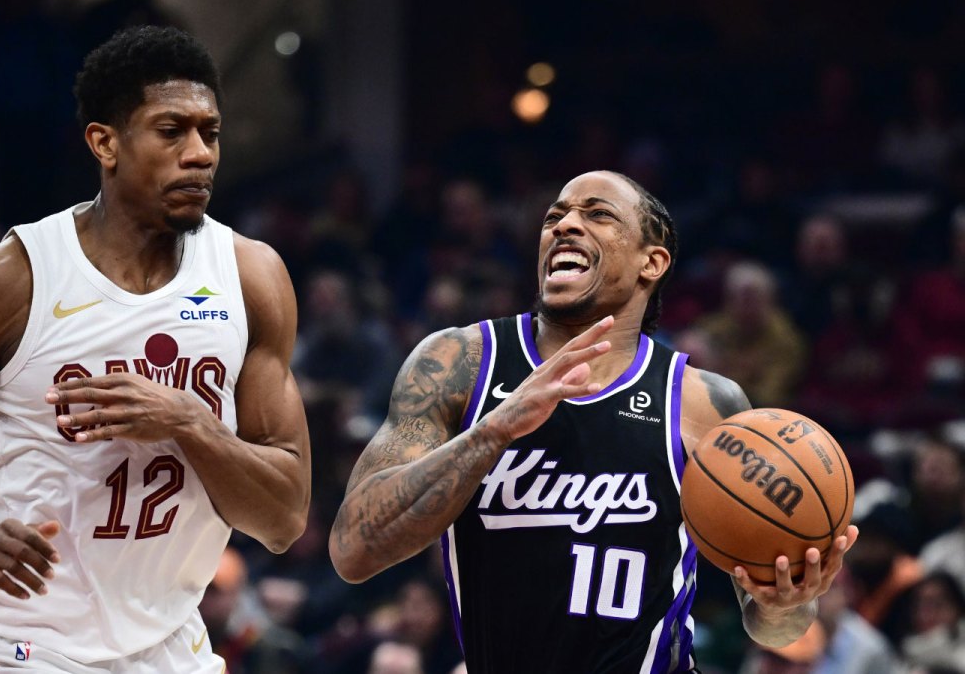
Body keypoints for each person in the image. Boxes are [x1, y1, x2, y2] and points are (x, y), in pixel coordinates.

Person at [0, 25, 310, 673]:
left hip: (167, 641)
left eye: (209, 133)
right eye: (171, 131)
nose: (199, 154)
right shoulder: (7, 281)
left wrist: (189, 422)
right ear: (105, 142)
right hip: (21, 643)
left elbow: (284, 518)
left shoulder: (252, 278)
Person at [329, 171, 858, 673]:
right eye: (554, 216)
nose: (565, 224)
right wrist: (491, 431)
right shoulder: (459, 363)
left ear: (652, 262)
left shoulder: (705, 402)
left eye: (597, 214)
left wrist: (787, 602)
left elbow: (775, 627)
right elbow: (354, 550)